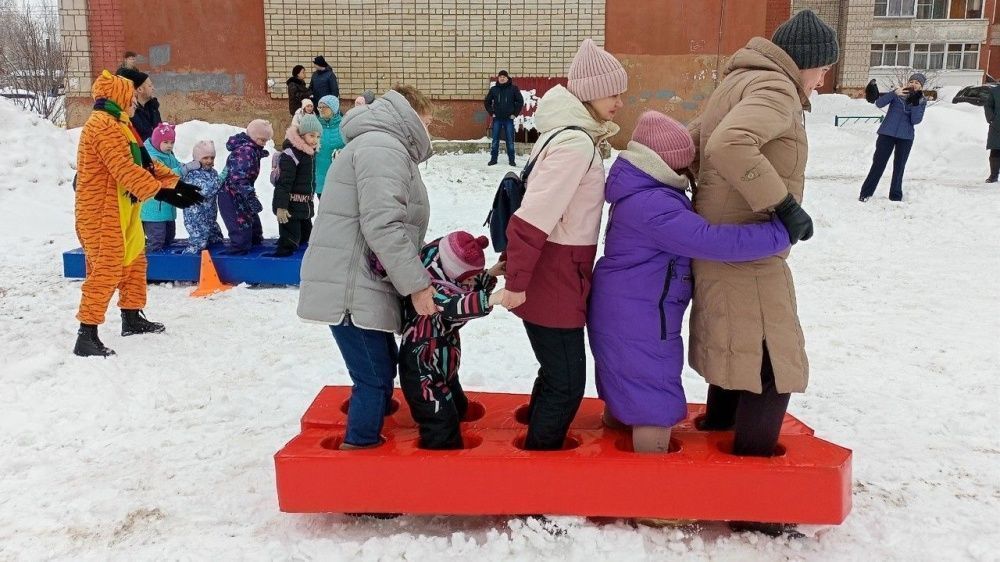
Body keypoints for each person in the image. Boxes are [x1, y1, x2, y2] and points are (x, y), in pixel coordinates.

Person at [686, 9, 831, 536]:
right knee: (774, 361)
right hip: (748, 245)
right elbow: (727, 145)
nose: (822, 81)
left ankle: (722, 446)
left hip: (726, 240)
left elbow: (694, 139)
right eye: (822, 69)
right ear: (806, 62)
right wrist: (783, 204)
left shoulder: (740, 80)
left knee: (738, 345)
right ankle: (752, 502)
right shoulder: (774, 91)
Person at [588, 111, 790, 456]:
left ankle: (618, 442)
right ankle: (649, 479)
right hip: (642, 315)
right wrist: (779, 233)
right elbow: (712, 241)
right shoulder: (654, 205)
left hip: (625, 306)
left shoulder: (638, 189)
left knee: (628, 380)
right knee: (652, 394)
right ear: (669, 164)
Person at [491, 38, 627, 451]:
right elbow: (532, 219)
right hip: (553, 277)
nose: (620, 102)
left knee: (556, 372)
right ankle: (539, 463)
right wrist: (515, 283)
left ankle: (537, 442)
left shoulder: (572, 136)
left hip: (559, 273)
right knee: (567, 382)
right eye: (613, 93)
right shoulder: (574, 143)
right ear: (587, 92)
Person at [297, 85, 437, 450]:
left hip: (359, 281)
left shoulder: (383, 146)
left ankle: (364, 450)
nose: (430, 130)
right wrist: (417, 286)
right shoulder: (383, 148)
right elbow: (383, 224)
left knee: (380, 368)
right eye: (429, 121)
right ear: (411, 116)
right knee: (373, 378)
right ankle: (358, 457)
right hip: (351, 289)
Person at [73, 70, 203, 357]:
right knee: (106, 268)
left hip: (124, 207)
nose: (134, 102)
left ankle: (131, 317)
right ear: (118, 97)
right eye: (130, 97)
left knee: (134, 262)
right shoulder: (102, 126)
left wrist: (177, 183)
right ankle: (86, 333)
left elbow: (145, 164)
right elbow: (123, 169)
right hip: (101, 210)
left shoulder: (121, 126)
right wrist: (162, 193)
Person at [395, 232, 504, 449]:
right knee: (441, 423)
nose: (474, 280)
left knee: (458, 408)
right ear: (455, 273)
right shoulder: (433, 293)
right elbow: (455, 304)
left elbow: (468, 286)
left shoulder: (449, 272)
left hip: (444, 368)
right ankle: (441, 466)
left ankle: (457, 444)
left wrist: (491, 274)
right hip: (423, 374)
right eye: (471, 276)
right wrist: (493, 298)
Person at [858, 73, 927, 202]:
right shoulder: (897, 94)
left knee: (899, 167)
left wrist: (916, 103)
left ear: (921, 87)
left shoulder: (921, 101)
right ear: (908, 82)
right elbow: (879, 103)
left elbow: (916, 120)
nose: (914, 84)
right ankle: (865, 194)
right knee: (878, 164)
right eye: (912, 81)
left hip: (905, 137)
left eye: (917, 83)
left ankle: (895, 196)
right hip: (886, 134)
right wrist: (894, 93)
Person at [218, 119, 273, 255]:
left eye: (266, 141)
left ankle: (254, 247)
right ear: (253, 137)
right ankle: (238, 255)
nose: (264, 144)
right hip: (231, 195)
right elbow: (239, 177)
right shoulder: (245, 151)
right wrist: (250, 196)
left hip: (242, 194)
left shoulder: (252, 150)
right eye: (261, 140)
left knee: (253, 227)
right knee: (240, 230)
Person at [272, 113, 321, 257]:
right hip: (289, 209)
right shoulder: (291, 155)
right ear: (301, 134)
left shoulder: (309, 154)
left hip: (304, 207)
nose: (315, 140)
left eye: (318, 137)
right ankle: (279, 267)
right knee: (290, 241)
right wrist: (281, 207)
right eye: (311, 136)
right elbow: (283, 183)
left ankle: (305, 265)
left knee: (306, 238)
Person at [141, 122, 183, 251]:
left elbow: (178, 166)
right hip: (153, 210)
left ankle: (167, 268)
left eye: (172, 142)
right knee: (157, 240)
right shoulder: (150, 157)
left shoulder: (169, 156)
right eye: (165, 142)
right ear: (156, 141)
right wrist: (184, 170)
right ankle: (151, 267)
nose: (169, 146)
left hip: (167, 208)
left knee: (169, 237)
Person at [180, 140, 225, 254]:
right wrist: (223, 177)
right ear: (197, 159)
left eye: (212, 158)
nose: (209, 161)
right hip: (195, 219)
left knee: (216, 239)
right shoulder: (192, 174)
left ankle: (216, 260)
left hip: (210, 217)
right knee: (198, 242)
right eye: (205, 158)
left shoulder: (213, 172)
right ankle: (186, 261)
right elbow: (206, 190)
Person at [484, 70, 524, 166]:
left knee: (510, 141)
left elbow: (520, 101)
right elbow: (487, 102)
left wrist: (515, 114)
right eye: (500, 76)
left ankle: (511, 160)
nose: (502, 78)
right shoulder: (494, 89)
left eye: (504, 77)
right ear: (498, 78)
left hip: (508, 119)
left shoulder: (513, 89)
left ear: (507, 78)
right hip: (497, 119)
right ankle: (493, 159)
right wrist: (491, 112)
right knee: (495, 140)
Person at [116, 68, 160, 142]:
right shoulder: (129, 112)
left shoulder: (152, 107)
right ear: (139, 89)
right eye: (150, 86)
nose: (153, 88)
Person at [315, 95, 345, 199]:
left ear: (333, 109)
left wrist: (341, 152)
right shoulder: (315, 125)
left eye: (324, 107)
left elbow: (351, 146)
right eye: (319, 107)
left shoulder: (344, 125)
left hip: (338, 175)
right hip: (319, 174)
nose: (321, 110)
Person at [984, 83, 1000, 183]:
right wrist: (992, 119)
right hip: (997, 126)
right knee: (995, 151)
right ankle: (993, 176)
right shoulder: (994, 91)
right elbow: (988, 105)